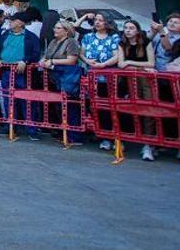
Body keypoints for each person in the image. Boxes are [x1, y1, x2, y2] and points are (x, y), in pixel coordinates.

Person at [114, 19, 157, 161]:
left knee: (148, 107)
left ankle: (148, 143)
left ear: (137, 30)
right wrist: (140, 67)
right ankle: (129, 138)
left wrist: (130, 63)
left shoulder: (145, 42)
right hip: (128, 80)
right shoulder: (122, 44)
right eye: (126, 27)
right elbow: (120, 64)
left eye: (131, 28)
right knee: (130, 108)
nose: (128, 30)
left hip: (145, 80)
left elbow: (151, 63)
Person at [0, 11, 43, 140]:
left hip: (22, 72)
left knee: (26, 99)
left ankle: (30, 127)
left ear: (20, 23)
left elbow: (36, 53)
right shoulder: (5, 34)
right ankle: (11, 124)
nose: (10, 23)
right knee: (7, 98)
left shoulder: (31, 36)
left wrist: (25, 61)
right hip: (6, 71)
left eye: (12, 20)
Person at [81, 12, 120, 150]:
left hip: (108, 77)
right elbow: (81, 53)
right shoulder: (88, 37)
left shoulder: (114, 37)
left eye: (101, 20)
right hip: (92, 77)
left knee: (112, 107)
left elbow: (117, 56)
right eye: (96, 20)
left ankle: (117, 137)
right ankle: (104, 136)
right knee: (97, 108)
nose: (97, 22)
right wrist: (87, 61)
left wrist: (103, 65)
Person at [41, 21, 84, 145]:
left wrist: (53, 62)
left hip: (68, 77)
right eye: (55, 27)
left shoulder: (71, 42)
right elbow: (46, 56)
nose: (55, 29)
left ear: (66, 31)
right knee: (59, 106)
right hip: (55, 77)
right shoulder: (53, 42)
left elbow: (72, 60)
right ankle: (64, 132)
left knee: (71, 106)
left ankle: (74, 136)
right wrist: (43, 61)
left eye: (58, 28)